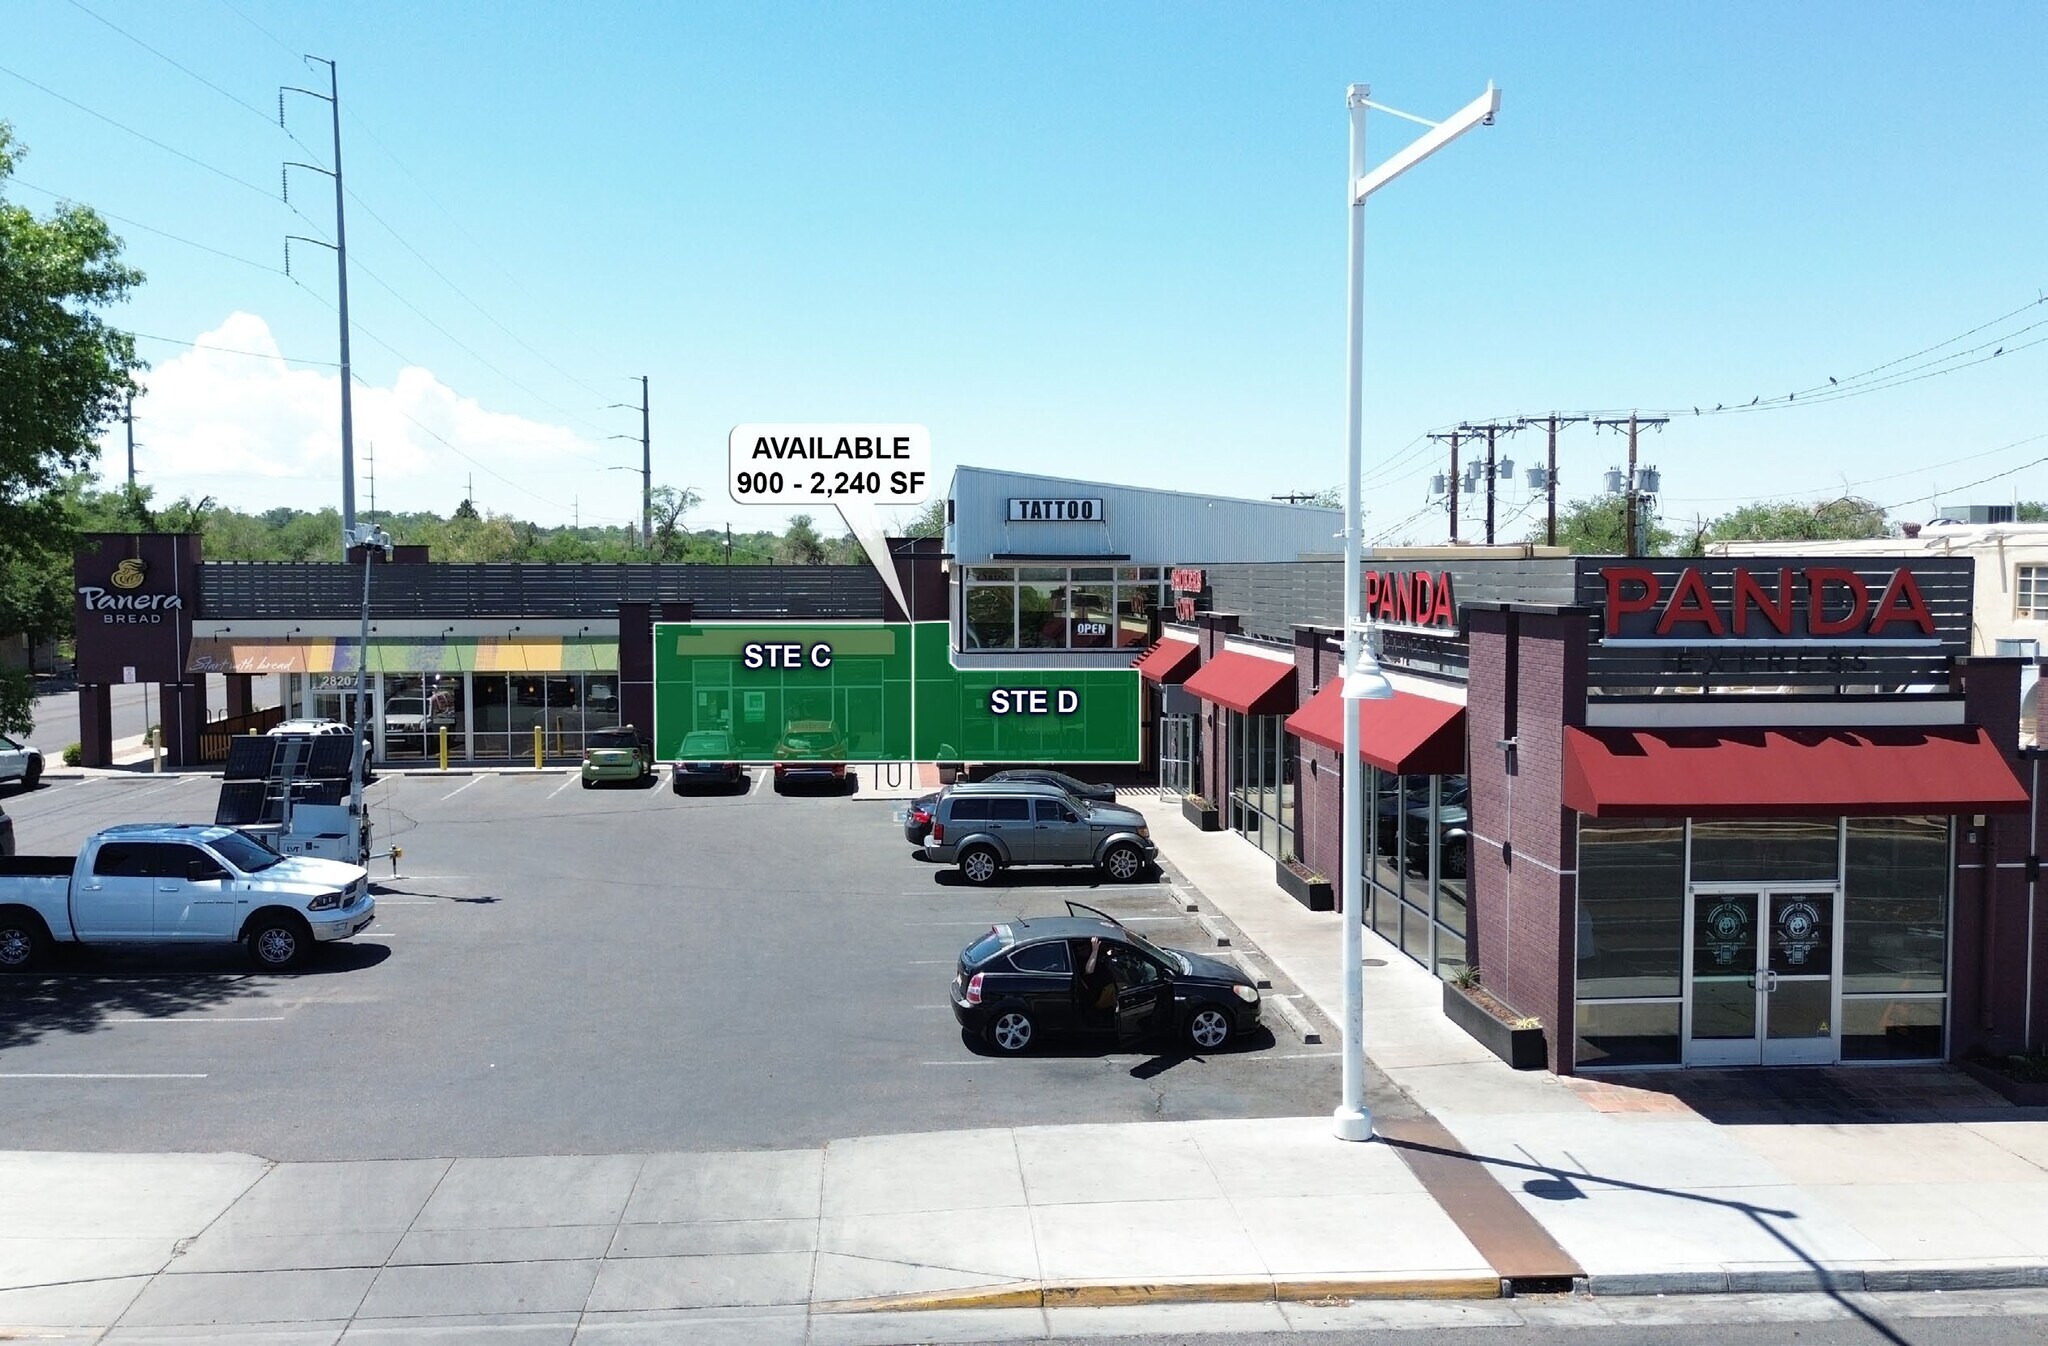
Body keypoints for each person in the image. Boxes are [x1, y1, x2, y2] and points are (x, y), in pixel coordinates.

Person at [1078, 936, 1117, 1026]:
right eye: (1081, 948)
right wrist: (1094, 950)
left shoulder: (1097, 954)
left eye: (1085, 947)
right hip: (1099, 995)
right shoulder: (1080, 961)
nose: (1082, 950)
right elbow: (1088, 971)